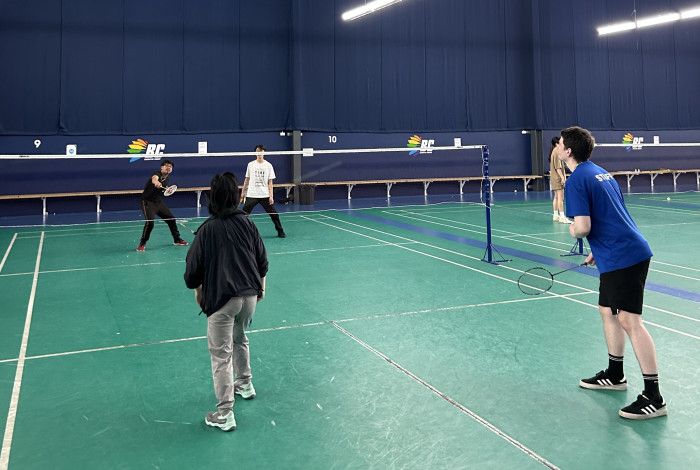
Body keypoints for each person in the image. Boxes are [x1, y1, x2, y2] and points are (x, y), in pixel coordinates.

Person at [556, 126, 666, 420]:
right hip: (618, 251)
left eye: (560, 143)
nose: (557, 147)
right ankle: (615, 374)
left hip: (624, 257)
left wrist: (572, 231)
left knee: (630, 321)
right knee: (607, 310)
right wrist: (599, 249)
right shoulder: (600, 172)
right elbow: (612, 215)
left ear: (568, 151)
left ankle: (654, 397)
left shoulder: (577, 179)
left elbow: (583, 227)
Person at [184, 172, 269, 432]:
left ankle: (224, 413)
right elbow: (262, 262)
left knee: (221, 356)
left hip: (223, 301)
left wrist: (199, 292)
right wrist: (260, 290)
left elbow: (191, 276)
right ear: (236, 195)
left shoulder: (207, 230)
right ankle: (245, 383)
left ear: (213, 197)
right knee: (240, 338)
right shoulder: (248, 223)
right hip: (249, 297)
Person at [137, 159, 188, 251]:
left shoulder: (167, 178)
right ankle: (142, 243)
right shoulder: (157, 174)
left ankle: (177, 239)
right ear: (161, 167)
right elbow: (154, 179)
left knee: (171, 219)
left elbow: (162, 189)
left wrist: (166, 189)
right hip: (147, 202)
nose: (168, 168)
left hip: (158, 202)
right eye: (166, 166)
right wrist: (156, 182)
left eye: (170, 166)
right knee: (150, 223)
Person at [241, 145, 286, 238]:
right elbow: (247, 179)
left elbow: (270, 182)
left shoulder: (268, 165)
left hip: (264, 195)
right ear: (255, 153)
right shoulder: (250, 164)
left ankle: (280, 231)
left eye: (261, 151)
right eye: (258, 151)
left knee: (274, 215)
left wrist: (271, 196)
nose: (260, 153)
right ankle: (240, 233)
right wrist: (243, 192)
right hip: (252, 194)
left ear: (264, 153)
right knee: (243, 215)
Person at [549, 136, 570, 224]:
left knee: (556, 197)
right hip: (557, 178)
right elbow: (558, 167)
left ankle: (555, 215)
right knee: (560, 198)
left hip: (554, 177)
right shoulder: (557, 152)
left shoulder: (553, 151)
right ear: (557, 144)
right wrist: (562, 178)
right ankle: (562, 216)